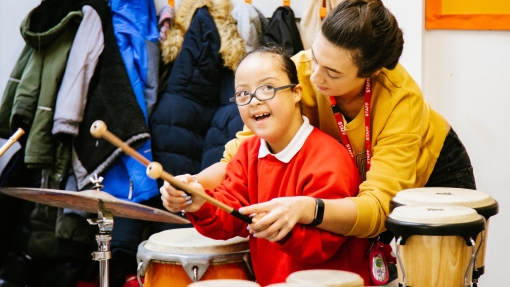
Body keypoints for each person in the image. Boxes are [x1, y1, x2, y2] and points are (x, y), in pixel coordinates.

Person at [165, 0, 476, 272]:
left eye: (333, 72)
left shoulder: (402, 102)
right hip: (352, 181)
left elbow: (379, 210)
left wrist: (307, 208)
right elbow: (241, 155)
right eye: (315, 57)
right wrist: (192, 186)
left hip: (433, 175)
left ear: (371, 73)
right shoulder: (298, 73)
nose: (314, 76)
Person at [160, 44, 371, 286]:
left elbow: (321, 245)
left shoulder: (328, 157)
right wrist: (199, 203)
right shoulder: (248, 153)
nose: (254, 101)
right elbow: (229, 216)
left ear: (296, 93)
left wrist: (282, 227)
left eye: (267, 88)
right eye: (243, 94)